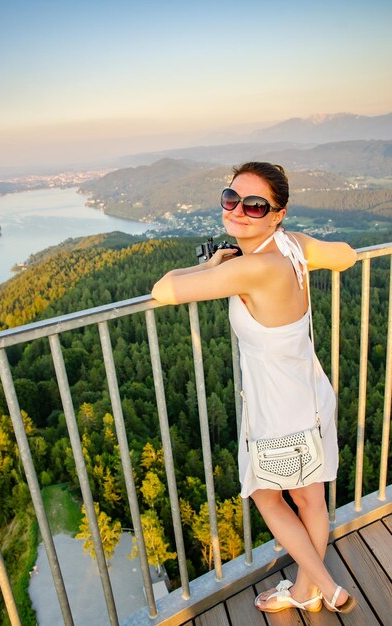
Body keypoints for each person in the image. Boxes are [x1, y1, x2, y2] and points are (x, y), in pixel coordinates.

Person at [151, 161, 357, 614]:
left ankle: (323, 585)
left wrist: (209, 264)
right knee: (310, 499)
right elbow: (346, 255)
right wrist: (298, 245)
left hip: (279, 412)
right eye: (231, 198)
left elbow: (164, 290)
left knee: (266, 495)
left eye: (255, 204)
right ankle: (309, 590)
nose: (238, 211)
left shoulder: (253, 268)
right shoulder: (292, 246)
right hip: (312, 396)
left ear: (278, 212)